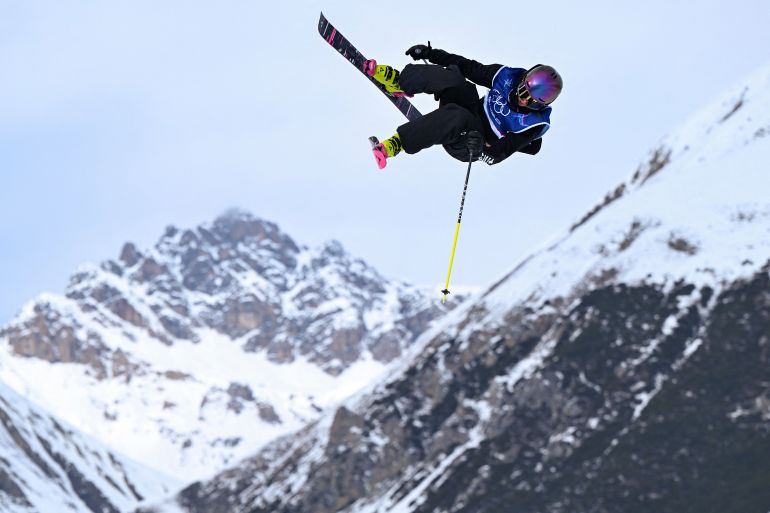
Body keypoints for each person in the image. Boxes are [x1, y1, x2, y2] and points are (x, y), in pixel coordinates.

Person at [365, 43, 563, 169]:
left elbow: (500, 154)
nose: (523, 100)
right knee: (455, 78)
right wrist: (432, 54)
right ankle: (399, 83)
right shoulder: (506, 77)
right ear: (522, 81)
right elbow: (468, 67)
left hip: (470, 142)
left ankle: (396, 144)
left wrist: (480, 150)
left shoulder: (533, 124)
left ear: (541, 106)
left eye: (531, 102)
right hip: (468, 108)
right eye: (523, 92)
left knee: (459, 117)